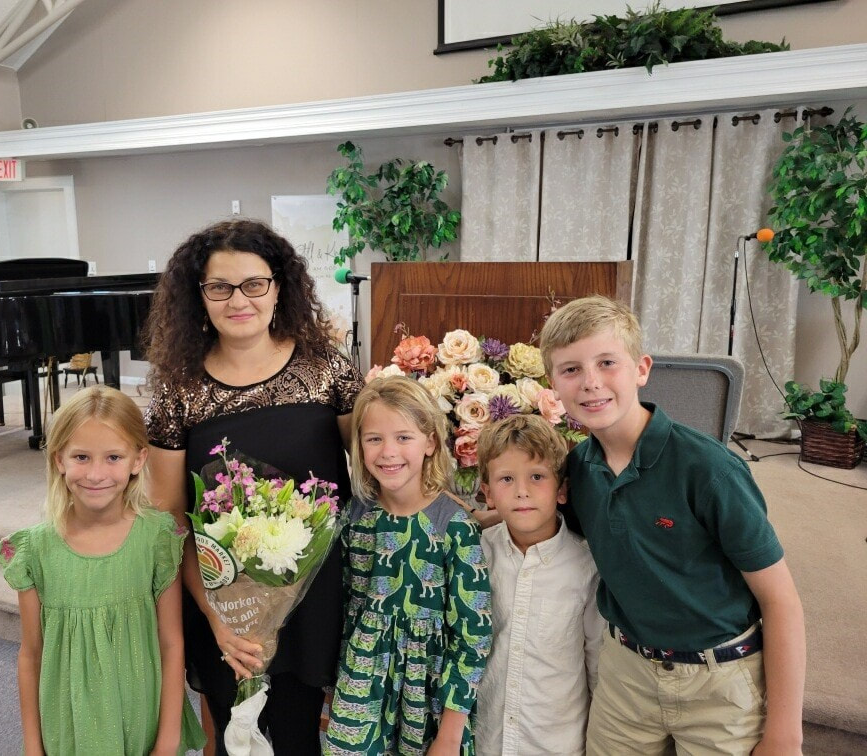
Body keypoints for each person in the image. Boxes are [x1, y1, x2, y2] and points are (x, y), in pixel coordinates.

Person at [539, 295, 806, 755]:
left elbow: (781, 601)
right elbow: (545, 520)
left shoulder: (709, 470)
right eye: (571, 370)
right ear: (553, 385)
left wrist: (786, 733)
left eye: (607, 363)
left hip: (720, 682)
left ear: (641, 369)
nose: (591, 383)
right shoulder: (578, 469)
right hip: (626, 675)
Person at [143, 218, 363, 754]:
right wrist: (218, 619)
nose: (238, 299)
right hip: (224, 601)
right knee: (235, 734)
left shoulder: (326, 371)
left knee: (301, 731)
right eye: (219, 287)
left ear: (278, 286)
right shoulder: (179, 391)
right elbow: (171, 519)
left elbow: (381, 459)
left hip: (314, 592)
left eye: (253, 284)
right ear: (199, 297)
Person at [0, 385, 205, 756]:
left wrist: (167, 740)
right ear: (59, 460)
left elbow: (171, 643)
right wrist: (32, 746)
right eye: (82, 457)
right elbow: (31, 654)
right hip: (70, 721)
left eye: (113, 457)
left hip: (141, 714)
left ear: (138, 460)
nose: (96, 473)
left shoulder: (158, 539)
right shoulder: (34, 550)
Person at [324, 375, 492, 756]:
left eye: (403, 437)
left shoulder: (454, 527)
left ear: (430, 442)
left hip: (430, 692)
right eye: (374, 439)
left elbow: (474, 633)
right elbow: (349, 605)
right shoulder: (356, 518)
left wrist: (450, 732)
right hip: (363, 680)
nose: (388, 452)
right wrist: (338, 686)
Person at [474, 413, 604, 755]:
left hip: (555, 743)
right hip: (485, 739)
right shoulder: (475, 556)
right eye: (505, 479)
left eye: (536, 477)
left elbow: (597, 664)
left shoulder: (586, 566)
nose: (522, 492)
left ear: (561, 490)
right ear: (487, 493)